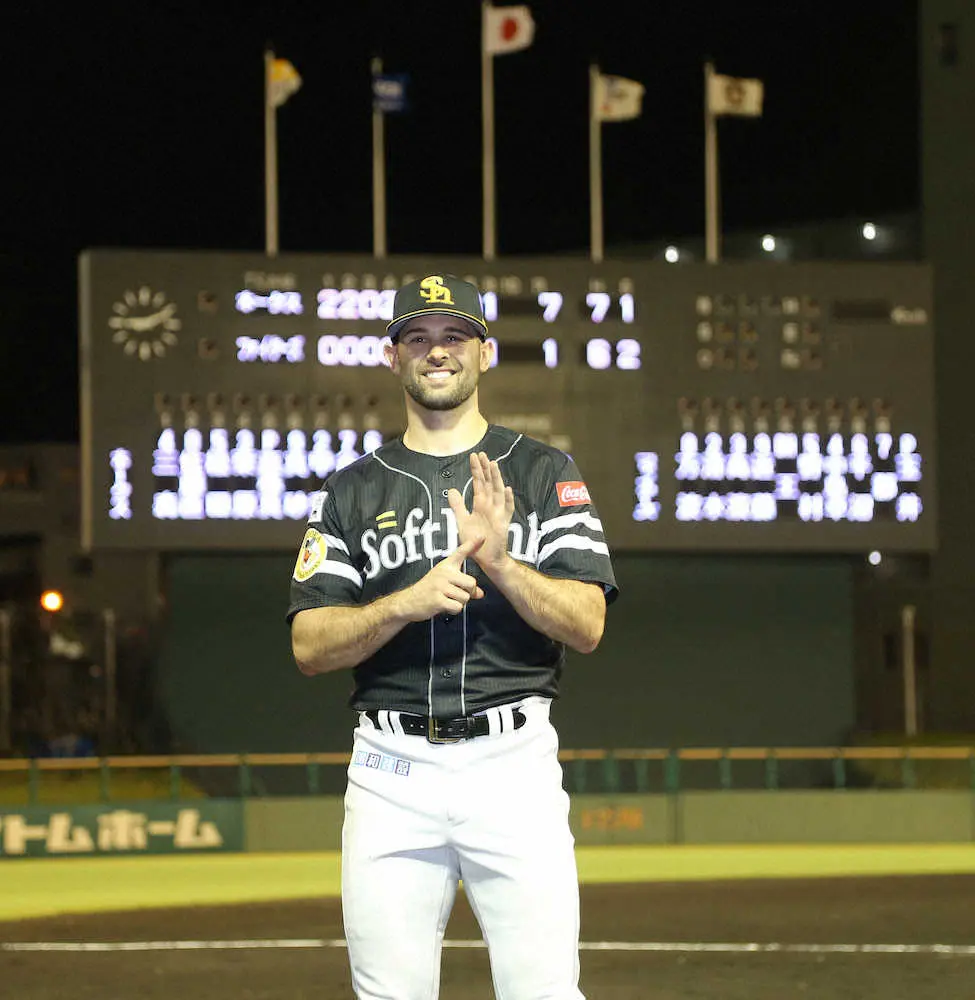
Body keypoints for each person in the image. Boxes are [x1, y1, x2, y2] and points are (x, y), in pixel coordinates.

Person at [288, 273, 618, 1000]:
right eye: (417, 337)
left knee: (543, 993)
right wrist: (404, 604)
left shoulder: (543, 471)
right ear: (393, 357)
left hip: (512, 766)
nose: (437, 351)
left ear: (484, 353)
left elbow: (588, 624)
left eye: (455, 336)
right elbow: (309, 645)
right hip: (390, 771)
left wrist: (501, 564)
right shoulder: (350, 488)